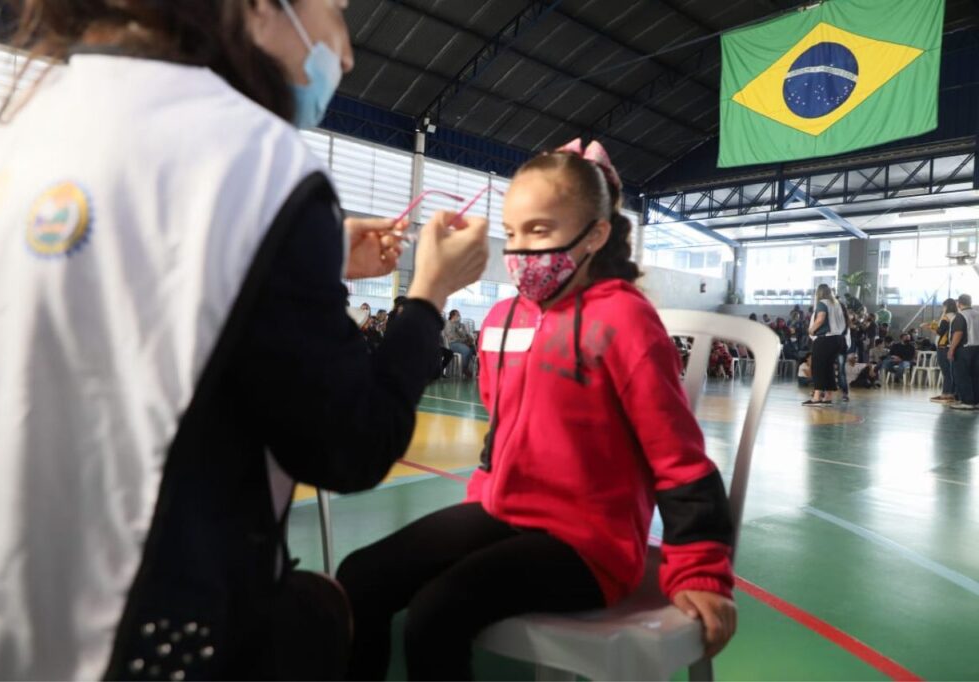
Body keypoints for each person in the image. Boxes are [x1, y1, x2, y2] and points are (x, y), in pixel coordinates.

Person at [0, 1, 493, 679]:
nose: (347, 54)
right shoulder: (254, 160)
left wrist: (312, 254)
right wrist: (428, 297)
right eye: (336, 12)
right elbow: (351, 444)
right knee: (326, 610)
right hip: (137, 634)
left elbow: (119, 276)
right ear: (261, 8)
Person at [337, 141, 737, 680]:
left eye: (540, 231)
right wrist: (481, 497)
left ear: (595, 234)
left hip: (588, 543)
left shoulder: (626, 321)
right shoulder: (502, 319)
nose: (521, 250)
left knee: (436, 614)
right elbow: (501, 429)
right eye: (514, 231)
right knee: (359, 578)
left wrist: (702, 569)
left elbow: (679, 459)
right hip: (503, 511)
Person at [804, 283, 848, 406]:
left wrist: (811, 329)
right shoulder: (837, 304)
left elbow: (821, 318)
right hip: (838, 339)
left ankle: (817, 397)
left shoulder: (822, 303)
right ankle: (828, 396)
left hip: (825, 339)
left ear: (819, 293)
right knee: (829, 368)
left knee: (818, 367)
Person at [949, 293, 979, 411]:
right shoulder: (977, 314)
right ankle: (976, 401)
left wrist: (951, 349)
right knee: (976, 376)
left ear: (959, 303)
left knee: (962, 375)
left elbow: (958, 333)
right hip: (977, 349)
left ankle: (967, 401)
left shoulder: (960, 316)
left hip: (964, 349)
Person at [930, 299, 958, 403]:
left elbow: (941, 331)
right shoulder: (956, 315)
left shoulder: (946, 317)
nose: (943, 308)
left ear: (946, 306)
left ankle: (946, 394)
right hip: (951, 346)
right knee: (951, 371)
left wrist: (930, 328)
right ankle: (951, 393)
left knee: (946, 372)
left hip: (943, 346)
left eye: (943, 306)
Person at [443, 309, 477, 379]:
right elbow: (451, 337)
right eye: (458, 315)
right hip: (453, 343)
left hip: (463, 342)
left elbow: (466, 335)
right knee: (467, 350)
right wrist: (464, 341)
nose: (459, 317)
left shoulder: (461, 325)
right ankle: (464, 369)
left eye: (459, 315)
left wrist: (470, 339)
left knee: (474, 350)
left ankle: (477, 370)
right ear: (453, 316)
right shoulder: (448, 323)